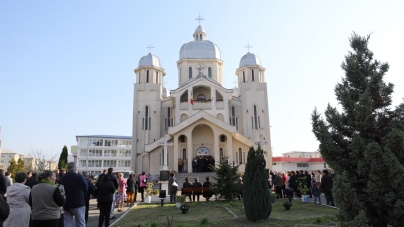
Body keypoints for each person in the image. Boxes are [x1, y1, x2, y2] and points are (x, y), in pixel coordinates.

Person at [58, 162, 88, 227]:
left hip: (65, 204)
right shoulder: (80, 177)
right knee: (80, 222)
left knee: (66, 223)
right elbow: (86, 188)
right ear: (75, 168)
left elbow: (59, 190)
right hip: (78, 203)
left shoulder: (61, 179)